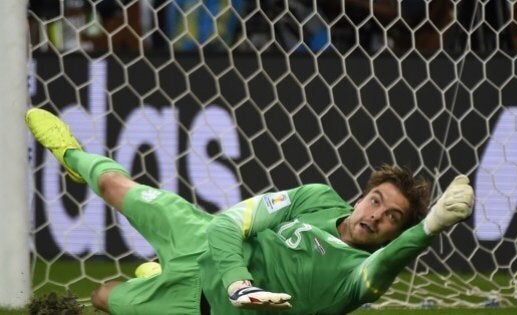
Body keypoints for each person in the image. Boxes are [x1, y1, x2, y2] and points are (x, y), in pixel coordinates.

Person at [25, 108, 475, 314]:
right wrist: (240, 282)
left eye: (393, 218)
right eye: (376, 201)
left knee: (104, 298)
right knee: (113, 184)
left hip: (194, 306)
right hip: (198, 236)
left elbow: (391, 264)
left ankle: (153, 278)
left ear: (395, 233)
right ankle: (72, 157)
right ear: (362, 195)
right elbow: (228, 223)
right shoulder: (316, 196)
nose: (376, 216)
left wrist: (432, 225)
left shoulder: (358, 278)